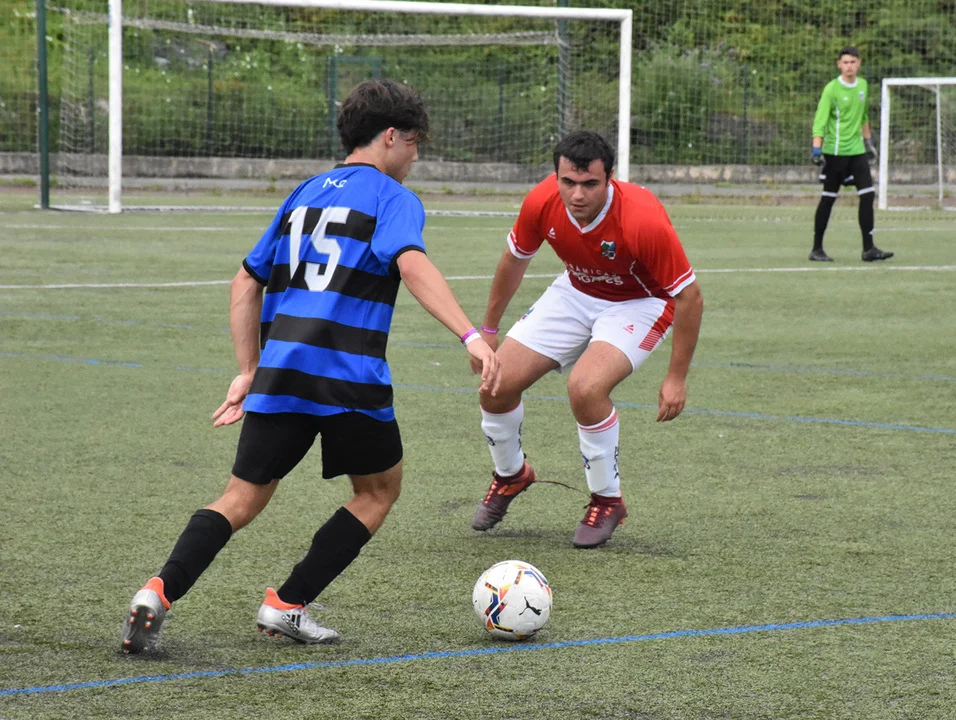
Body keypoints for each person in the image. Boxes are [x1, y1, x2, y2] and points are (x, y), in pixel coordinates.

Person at [121, 79, 500, 653]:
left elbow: (245, 281)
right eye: (414, 142)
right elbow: (411, 262)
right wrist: (470, 335)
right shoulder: (393, 197)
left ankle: (157, 592)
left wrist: (248, 369)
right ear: (390, 136)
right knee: (378, 491)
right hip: (348, 374)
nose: (416, 157)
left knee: (240, 497)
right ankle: (288, 604)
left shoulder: (303, 193)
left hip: (281, 372)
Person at [468, 130, 704, 549]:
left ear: (610, 178)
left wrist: (676, 378)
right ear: (556, 177)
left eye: (590, 184)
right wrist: (488, 330)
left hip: (640, 303)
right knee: (495, 382)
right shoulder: (542, 201)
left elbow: (689, 296)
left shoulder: (641, 218)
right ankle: (511, 475)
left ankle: (607, 500)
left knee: (586, 387)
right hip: (576, 291)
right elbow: (514, 259)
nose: (577, 195)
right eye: (568, 182)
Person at [809, 46, 893, 263]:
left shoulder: (863, 85)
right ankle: (817, 248)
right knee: (829, 198)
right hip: (836, 152)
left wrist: (868, 143)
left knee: (868, 194)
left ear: (859, 63)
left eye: (853, 62)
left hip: (857, 151)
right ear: (839, 65)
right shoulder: (831, 89)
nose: (849, 66)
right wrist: (817, 148)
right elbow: (820, 120)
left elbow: (863, 117)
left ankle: (869, 249)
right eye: (845, 62)